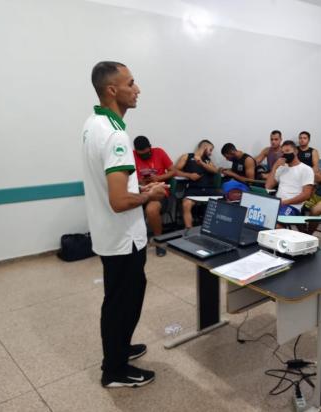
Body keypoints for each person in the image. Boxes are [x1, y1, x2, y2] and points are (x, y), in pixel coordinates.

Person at [82, 61, 167, 388]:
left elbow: (115, 189)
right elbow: (119, 202)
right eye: (131, 83)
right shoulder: (116, 136)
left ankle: (119, 349)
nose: (138, 89)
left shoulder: (93, 123)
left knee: (117, 298)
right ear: (112, 90)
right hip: (123, 238)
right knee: (124, 301)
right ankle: (114, 370)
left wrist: (139, 190)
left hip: (107, 235)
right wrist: (151, 195)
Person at [133, 135, 175, 257]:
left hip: (159, 193)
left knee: (151, 210)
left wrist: (158, 178)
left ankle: (159, 242)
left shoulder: (159, 152)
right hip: (141, 191)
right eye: (141, 154)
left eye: (147, 153)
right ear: (136, 151)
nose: (145, 156)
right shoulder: (131, 156)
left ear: (150, 148)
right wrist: (140, 181)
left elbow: (173, 171)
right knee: (123, 205)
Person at [176, 139, 220, 228]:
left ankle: (215, 230)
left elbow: (215, 171)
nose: (211, 153)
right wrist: (189, 175)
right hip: (194, 189)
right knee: (186, 204)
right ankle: (189, 231)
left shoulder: (207, 161)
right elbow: (174, 171)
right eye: (210, 150)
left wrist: (201, 163)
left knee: (224, 203)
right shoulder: (187, 156)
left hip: (209, 189)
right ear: (205, 147)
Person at [265, 140, 314, 216]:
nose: (285, 154)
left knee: (276, 222)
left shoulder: (306, 169)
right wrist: (275, 167)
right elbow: (268, 186)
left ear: (295, 152)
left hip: (293, 206)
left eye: (287, 151)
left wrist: (284, 202)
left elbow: (306, 194)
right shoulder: (282, 167)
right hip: (277, 203)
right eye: (283, 152)